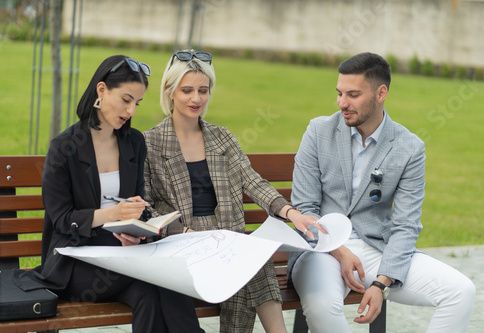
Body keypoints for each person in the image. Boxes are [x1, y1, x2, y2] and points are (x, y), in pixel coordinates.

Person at [14, 55, 204, 333]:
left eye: (137, 103)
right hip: (76, 260)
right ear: (101, 90)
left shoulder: (134, 142)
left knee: (149, 295)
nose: (131, 111)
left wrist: (138, 229)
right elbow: (62, 219)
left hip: (124, 255)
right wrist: (110, 214)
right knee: (160, 278)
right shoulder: (64, 147)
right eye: (126, 100)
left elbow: (136, 202)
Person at [287, 52, 476, 332]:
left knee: (461, 291)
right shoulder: (318, 131)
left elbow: (406, 224)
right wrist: (339, 252)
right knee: (323, 307)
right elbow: (305, 208)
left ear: (381, 93)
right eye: (339, 93)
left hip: (376, 250)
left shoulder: (409, 147)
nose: (342, 103)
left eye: (353, 95)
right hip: (322, 250)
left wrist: (380, 283)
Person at [142, 50, 325, 333]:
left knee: (252, 259)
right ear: (169, 91)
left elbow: (252, 181)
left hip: (227, 235)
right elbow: (147, 207)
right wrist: (184, 233)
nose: (196, 99)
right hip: (184, 242)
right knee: (247, 261)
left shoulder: (222, 137)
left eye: (203, 90)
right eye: (187, 90)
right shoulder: (150, 143)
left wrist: (292, 213)